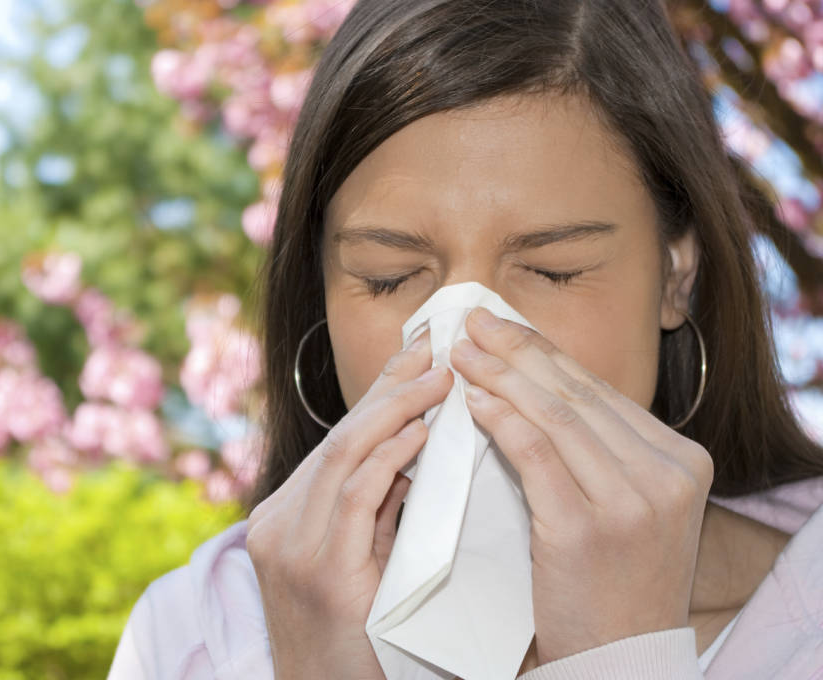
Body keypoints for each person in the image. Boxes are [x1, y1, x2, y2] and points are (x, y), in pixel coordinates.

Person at [108, 0, 823, 677]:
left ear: (675, 275)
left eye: (553, 270)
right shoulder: (195, 637)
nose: (466, 342)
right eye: (389, 278)